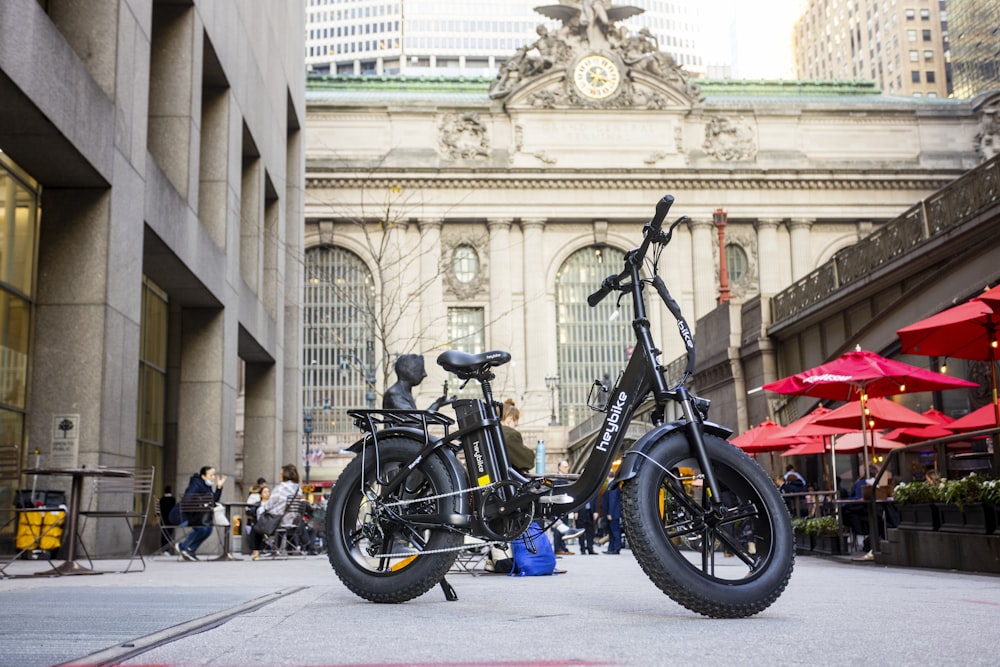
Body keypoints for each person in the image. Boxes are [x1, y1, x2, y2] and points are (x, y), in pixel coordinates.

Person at [176, 466, 226, 561]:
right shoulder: (196, 485)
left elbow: (213, 500)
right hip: (188, 516)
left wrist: (219, 487)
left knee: (208, 529)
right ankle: (184, 547)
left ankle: (188, 549)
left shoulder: (207, 486)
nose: (213, 477)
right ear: (203, 476)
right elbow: (187, 500)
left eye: (214, 475)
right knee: (202, 529)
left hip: (200, 516)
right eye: (211, 475)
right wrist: (202, 502)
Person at [500, 398, 535, 474]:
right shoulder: (509, 434)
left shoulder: (491, 431)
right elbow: (527, 461)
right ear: (510, 419)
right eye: (515, 422)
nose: (516, 425)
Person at [601, 473, 622, 554]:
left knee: (615, 531)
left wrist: (610, 513)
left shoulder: (613, 485)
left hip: (613, 513)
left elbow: (612, 500)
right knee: (611, 531)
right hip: (612, 513)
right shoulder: (612, 484)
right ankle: (611, 548)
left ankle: (616, 548)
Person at [249, 485, 271, 560]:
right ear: (261, 494)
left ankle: (256, 552)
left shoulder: (271, 504)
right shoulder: (257, 504)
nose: (267, 493)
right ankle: (256, 551)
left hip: (270, 524)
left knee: (257, 528)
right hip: (260, 524)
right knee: (255, 528)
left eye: (268, 492)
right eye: (265, 492)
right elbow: (251, 512)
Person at [158, 485, 177, 551]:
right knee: (169, 535)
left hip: (163, 520)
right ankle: (168, 549)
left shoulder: (161, 500)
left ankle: (163, 549)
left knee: (163, 535)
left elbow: (159, 511)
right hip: (171, 520)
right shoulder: (173, 500)